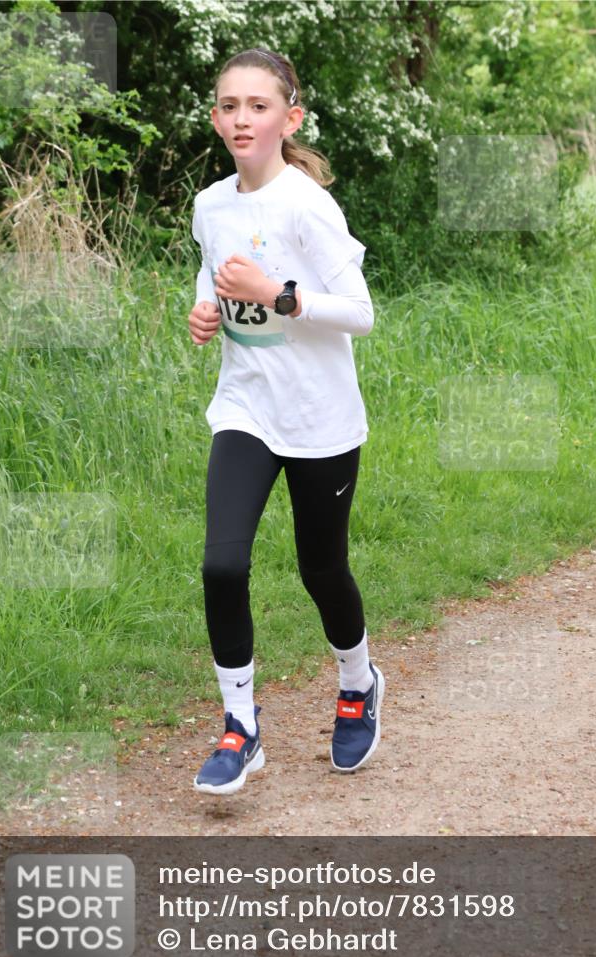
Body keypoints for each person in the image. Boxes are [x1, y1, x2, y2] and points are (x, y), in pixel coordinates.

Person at [188, 47, 385, 795]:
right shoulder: (211, 204)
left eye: (258, 106)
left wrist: (277, 294)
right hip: (245, 407)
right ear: (216, 119)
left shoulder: (307, 205)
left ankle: (358, 682)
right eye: (229, 106)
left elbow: (360, 313)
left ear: (289, 119)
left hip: (318, 417)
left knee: (321, 569)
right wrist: (205, 307)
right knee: (221, 564)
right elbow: (211, 270)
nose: (242, 118)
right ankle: (240, 726)